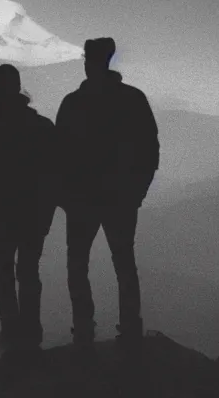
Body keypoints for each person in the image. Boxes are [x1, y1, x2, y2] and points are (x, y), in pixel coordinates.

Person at [55, 37, 160, 355]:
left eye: (88, 57)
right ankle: (129, 330)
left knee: (79, 265)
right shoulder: (132, 100)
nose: (87, 62)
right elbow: (149, 150)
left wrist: (65, 196)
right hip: (117, 198)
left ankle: (85, 331)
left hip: (86, 200)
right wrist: (136, 192)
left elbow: (57, 154)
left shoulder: (73, 103)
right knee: (123, 263)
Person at [0, 65, 57, 359]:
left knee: (4, 274)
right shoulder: (43, 128)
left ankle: (12, 331)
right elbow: (55, 177)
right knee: (28, 273)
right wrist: (46, 216)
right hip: (33, 217)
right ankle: (29, 335)